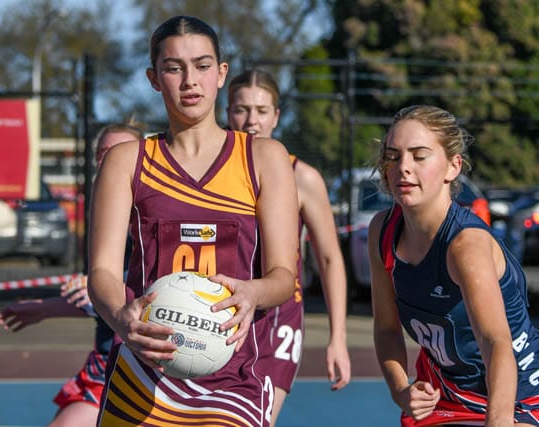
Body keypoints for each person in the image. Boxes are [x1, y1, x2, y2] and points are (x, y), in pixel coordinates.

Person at [87, 15, 299, 427]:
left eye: (202, 66)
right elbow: (102, 272)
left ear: (221, 74)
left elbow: (282, 276)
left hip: (233, 382)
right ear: (153, 78)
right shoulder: (126, 162)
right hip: (140, 381)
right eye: (173, 68)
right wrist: (121, 317)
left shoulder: (263, 158)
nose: (189, 81)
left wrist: (253, 292)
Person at [368, 104, 539, 426]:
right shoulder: (382, 231)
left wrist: (499, 420)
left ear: (453, 167)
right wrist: (400, 389)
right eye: (393, 156)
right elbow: (386, 328)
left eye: (419, 156)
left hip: (520, 393)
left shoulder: (465, 245)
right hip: (448, 392)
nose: (403, 167)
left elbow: (495, 342)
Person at [0, 121, 144, 427]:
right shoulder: (101, 219)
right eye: (103, 152)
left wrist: (109, 286)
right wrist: (45, 308)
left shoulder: (154, 218)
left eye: (120, 151)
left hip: (148, 364)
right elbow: (99, 301)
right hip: (108, 363)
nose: (110, 159)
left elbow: (149, 289)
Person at [226, 68, 351, 426]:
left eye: (262, 110)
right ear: (228, 112)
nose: (252, 120)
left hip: (279, 320)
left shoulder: (302, 177)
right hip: (226, 311)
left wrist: (338, 338)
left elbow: (329, 258)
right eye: (242, 109)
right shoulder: (213, 172)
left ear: (276, 116)